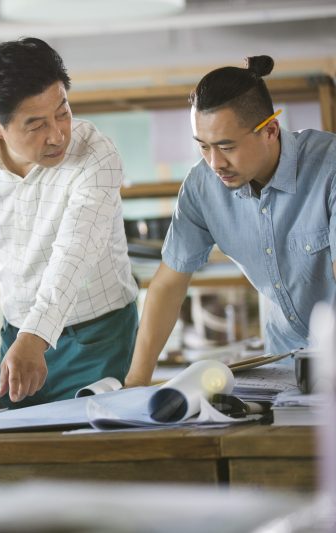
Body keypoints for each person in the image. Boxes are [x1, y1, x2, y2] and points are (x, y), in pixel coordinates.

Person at [0, 37, 140, 410]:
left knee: (98, 455)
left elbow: (75, 251)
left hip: (98, 336)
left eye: (63, 112)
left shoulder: (97, 156)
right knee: (18, 458)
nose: (57, 135)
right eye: (35, 124)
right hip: (18, 335)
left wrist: (36, 336)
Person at [126, 55, 336, 387]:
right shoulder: (201, 187)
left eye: (226, 147)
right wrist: (136, 382)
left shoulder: (329, 167)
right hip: (285, 368)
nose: (215, 163)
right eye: (203, 147)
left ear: (270, 130)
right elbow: (168, 285)